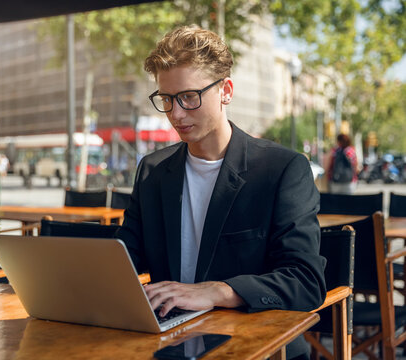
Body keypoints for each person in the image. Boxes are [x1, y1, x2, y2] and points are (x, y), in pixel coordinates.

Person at [117, 25, 326, 360]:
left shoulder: (282, 170)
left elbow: (305, 281)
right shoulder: (153, 171)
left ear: (226, 90)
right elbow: (126, 255)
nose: (176, 114)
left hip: (257, 346)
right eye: (166, 99)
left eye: (188, 97)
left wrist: (219, 291)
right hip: (166, 345)